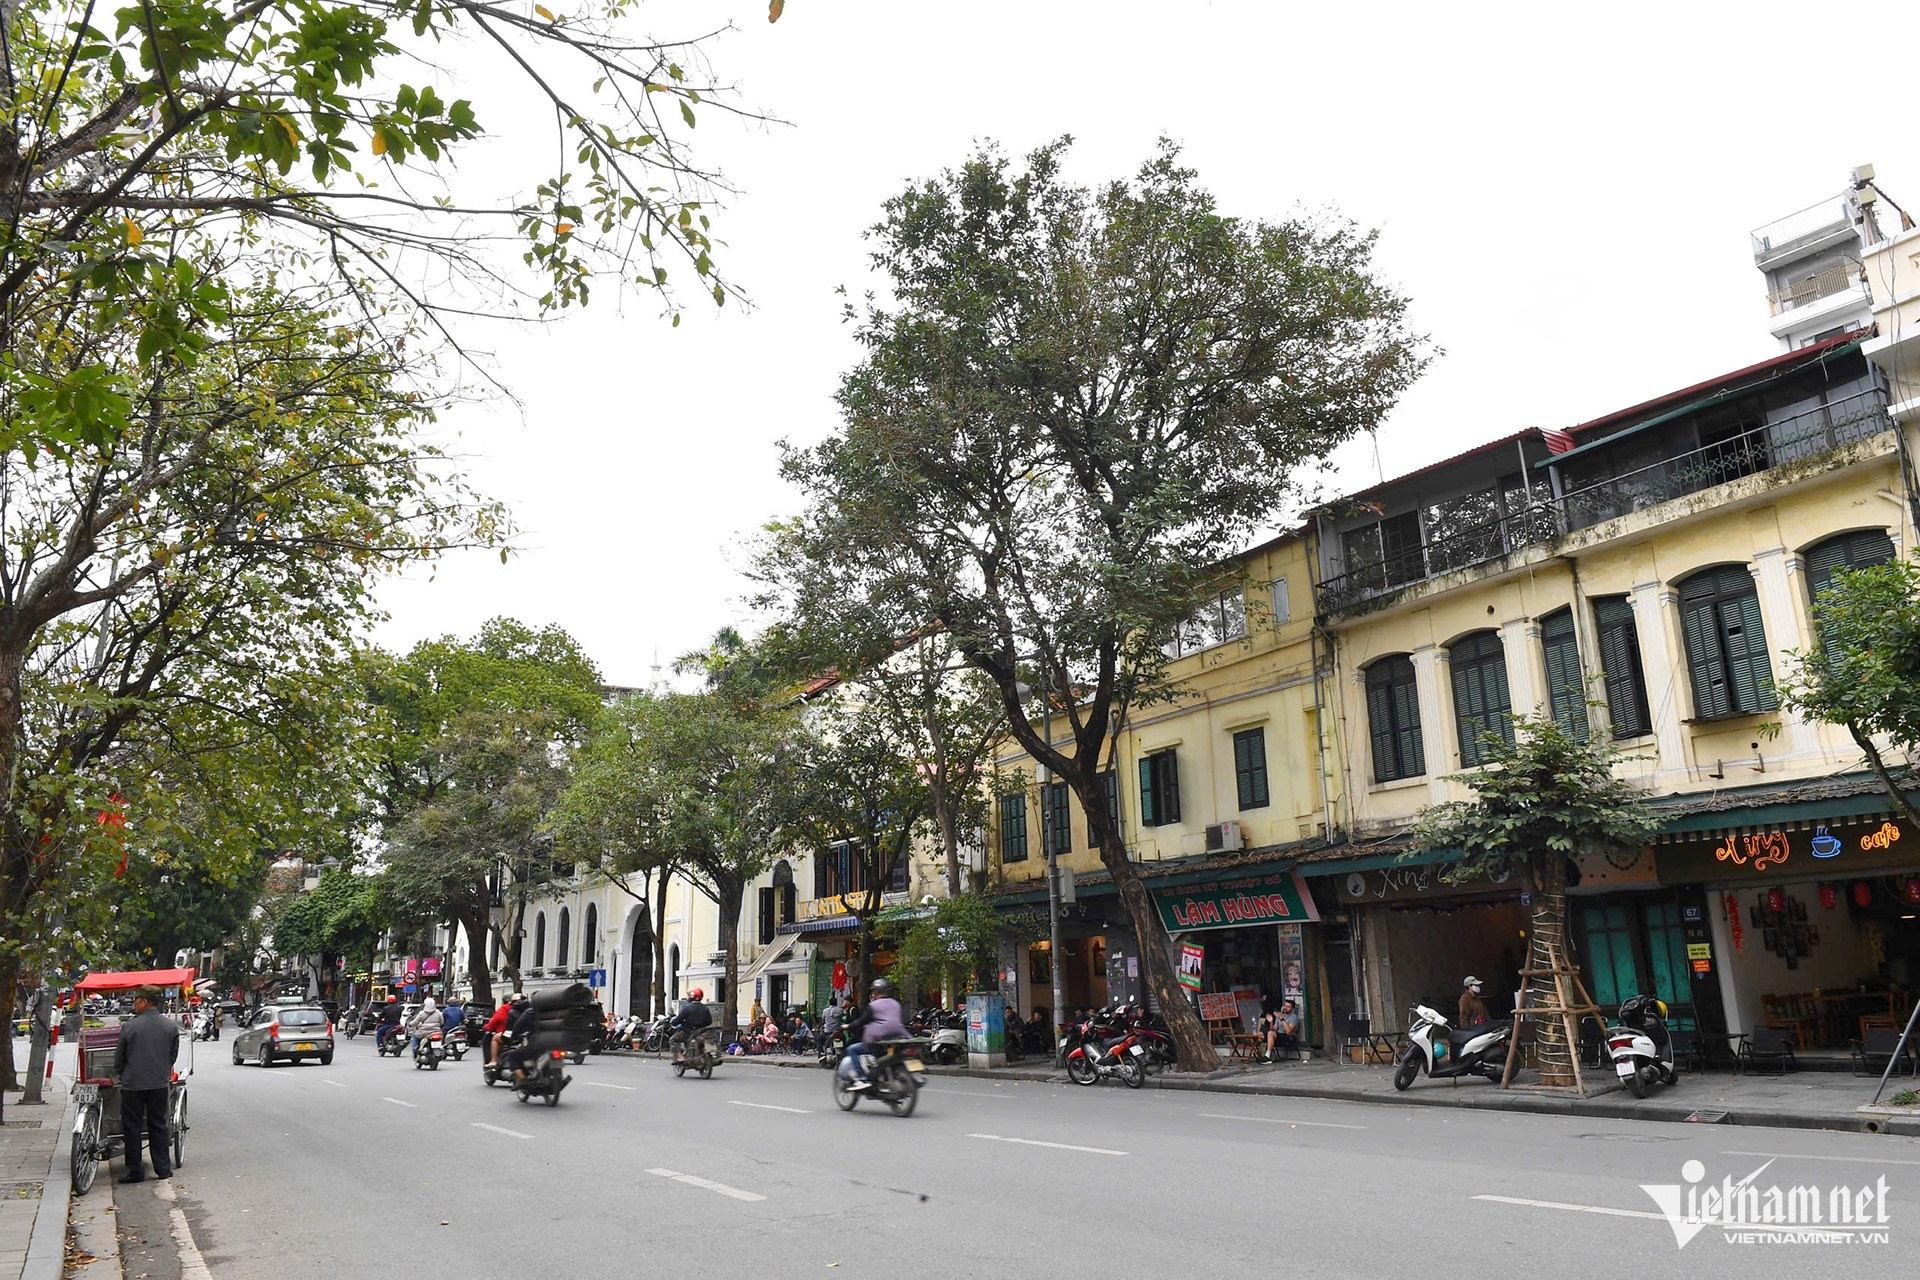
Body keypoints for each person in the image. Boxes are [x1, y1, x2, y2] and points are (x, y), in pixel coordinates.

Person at [113, 987, 179, 1183]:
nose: (134, 1003)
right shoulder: (170, 1026)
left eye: (136, 1000)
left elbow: (119, 1057)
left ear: (144, 1001)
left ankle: (135, 1171)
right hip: (159, 1083)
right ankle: (163, 1169)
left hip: (133, 1084)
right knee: (158, 1124)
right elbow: (172, 1055)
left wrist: (121, 1073)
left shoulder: (130, 1026)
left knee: (132, 1127)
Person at [847, 977, 907, 1086]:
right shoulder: (896, 1004)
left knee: (852, 1049)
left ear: (876, 992)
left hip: (878, 1040)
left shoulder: (873, 1006)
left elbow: (861, 1021)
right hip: (897, 1038)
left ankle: (861, 1079)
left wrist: (849, 1026)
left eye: (873, 992)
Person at [668, 988, 713, 1062]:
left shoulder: (687, 1008)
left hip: (688, 1032)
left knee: (672, 1040)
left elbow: (678, 1020)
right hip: (702, 1032)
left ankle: (680, 1057)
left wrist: (673, 1022)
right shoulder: (705, 1009)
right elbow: (709, 1022)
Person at [483, 996, 517, 1065]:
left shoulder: (502, 1010)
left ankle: (493, 1060)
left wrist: (486, 1027)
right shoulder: (526, 1009)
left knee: (493, 1039)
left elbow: (491, 1024)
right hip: (521, 1035)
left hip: (507, 1035)